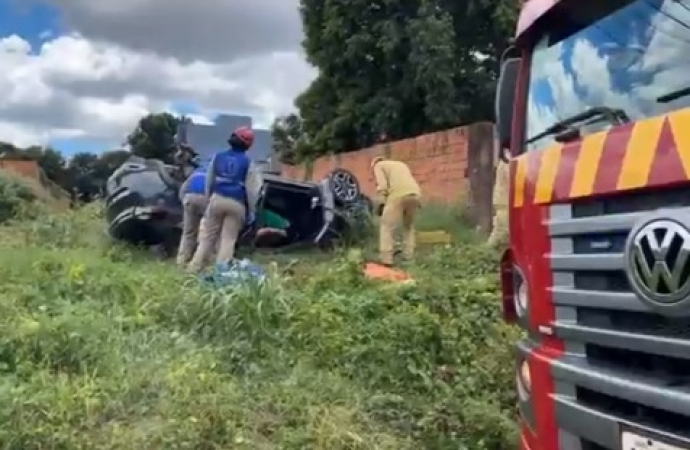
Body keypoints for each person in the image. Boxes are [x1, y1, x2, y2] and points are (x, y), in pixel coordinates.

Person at [186, 126, 263, 272]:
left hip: (217, 199)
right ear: (248, 144)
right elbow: (253, 190)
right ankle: (221, 274)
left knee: (207, 238)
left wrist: (209, 200)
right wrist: (251, 211)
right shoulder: (248, 162)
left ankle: (193, 269)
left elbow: (209, 180)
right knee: (228, 240)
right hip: (236, 204)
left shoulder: (218, 157)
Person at [371, 156, 422, 266]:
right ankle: (408, 257)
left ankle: (386, 260)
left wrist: (381, 203)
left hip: (397, 195)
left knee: (386, 226)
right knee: (408, 227)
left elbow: (383, 185)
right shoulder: (401, 164)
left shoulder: (378, 166)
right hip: (415, 193)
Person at [175, 156, 211, 268]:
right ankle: (198, 262)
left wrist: (184, 204)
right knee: (207, 233)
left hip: (189, 198)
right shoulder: (214, 173)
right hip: (205, 199)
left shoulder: (195, 173)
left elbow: (182, 190)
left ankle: (181, 260)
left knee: (188, 232)